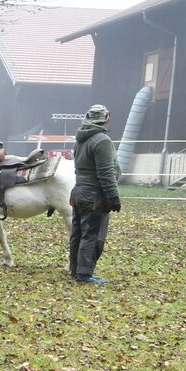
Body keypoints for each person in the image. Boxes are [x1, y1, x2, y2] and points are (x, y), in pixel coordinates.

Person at [69, 104, 121, 285]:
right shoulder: (102, 141)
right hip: (94, 195)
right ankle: (84, 274)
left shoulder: (80, 139)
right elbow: (106, 172)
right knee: (93, 235)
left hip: (79, 191)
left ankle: (75, 269)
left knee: (78, 233)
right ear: (106, 120)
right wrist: (113, 197)